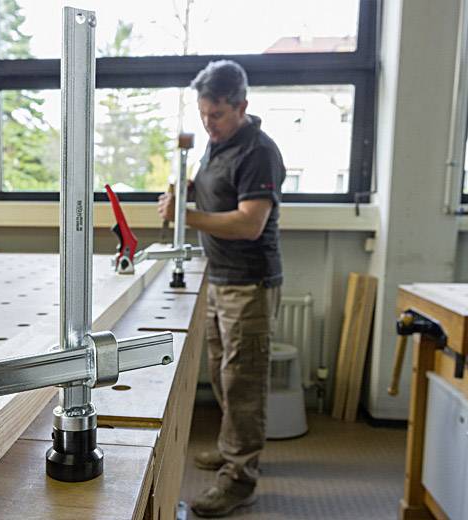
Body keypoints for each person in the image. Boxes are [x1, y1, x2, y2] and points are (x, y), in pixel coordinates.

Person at [158, 60, 286, 517]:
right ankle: (233, 447)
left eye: (217, 115)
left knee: (243, 379)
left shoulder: (258, 152)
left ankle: (240, 476)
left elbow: (250, 223)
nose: (208, 124)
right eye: (203, 114)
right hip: (219, 276)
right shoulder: (218, 145)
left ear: (242, 106)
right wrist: (186, 188)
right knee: (223, 372)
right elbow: (213, 188)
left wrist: (183, 217)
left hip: (249, 282)